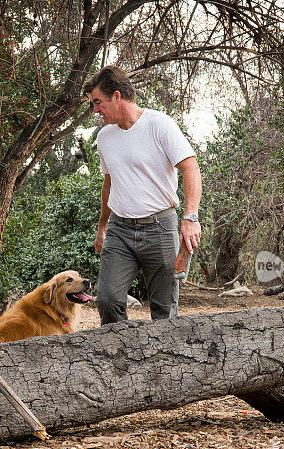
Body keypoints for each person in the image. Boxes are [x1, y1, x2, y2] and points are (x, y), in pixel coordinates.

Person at [82, 66, 202, 324]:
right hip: (120, 230)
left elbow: (190, 167)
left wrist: (190, 218)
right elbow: (109, 182)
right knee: (107, 299)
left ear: (116, 96)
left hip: (160, 227)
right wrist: (102, 227)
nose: (95, 110)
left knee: (164, 309)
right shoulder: (104, 137)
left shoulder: (160, 125)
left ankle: (166, 362)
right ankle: (119, 358)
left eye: (97, 102)